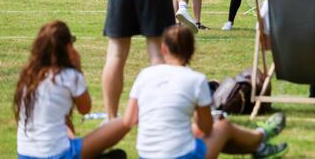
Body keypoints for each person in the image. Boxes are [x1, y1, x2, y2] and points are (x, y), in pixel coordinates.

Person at [123, 25, 288, 159]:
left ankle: (259, 148)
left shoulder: (145, 74)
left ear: (164, 49)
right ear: (192, 51)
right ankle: (260, 137)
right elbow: (207, 128)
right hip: (182, 155)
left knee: (206, 131)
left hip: (146, 154)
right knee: (223, 128)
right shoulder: (196, 80)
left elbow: (130, 119)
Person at [14, 21, 129, 159]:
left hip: (25, 154)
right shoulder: (69, 76)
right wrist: (78, 68)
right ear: (68, 47)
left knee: (64, 125)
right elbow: (85, 108)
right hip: (59, 154)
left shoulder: (28, 76)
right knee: (125, 122)